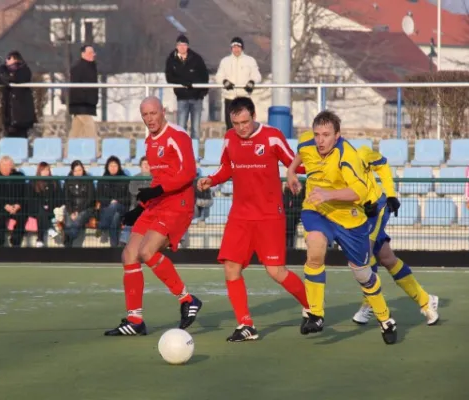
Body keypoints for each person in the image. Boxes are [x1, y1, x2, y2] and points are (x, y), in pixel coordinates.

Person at [195, 97, 309, 342]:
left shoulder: (272, 136)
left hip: (269, 215)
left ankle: (312, 308)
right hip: (240, 216)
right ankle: (246, 325)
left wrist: (308, 165)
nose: (241, 128)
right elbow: (227, 167)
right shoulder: (229, 138)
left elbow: (295, 164)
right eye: (236, 123)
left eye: (245, 122)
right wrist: (211, 180)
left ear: (254, 115)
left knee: (276, 271)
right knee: (230, 268)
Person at [286, 111, 397, 345]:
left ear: (337, 135)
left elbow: (360, 192)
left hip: (350, 218)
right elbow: (300, 154)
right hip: (317, 211)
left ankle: (385, 318)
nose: (320, 140)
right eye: (317, 134)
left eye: (326, 135)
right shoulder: (308, 141)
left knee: (363, 274)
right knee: (315, 250)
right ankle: (315, 314)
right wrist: (291, 171)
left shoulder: (348, 156)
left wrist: (329, 194)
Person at [105, 96, 201, 336]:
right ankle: (135, 321)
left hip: (178, 203)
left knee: (147, 252)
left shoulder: (178, 136)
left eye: (153, 113)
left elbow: (189, 172)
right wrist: (140, 207)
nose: (150, 119)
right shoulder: (149, 141)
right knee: (129, 254)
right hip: (157, 203)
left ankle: (187, 299)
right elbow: (158, 181)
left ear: (163, 111)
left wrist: (157, 191)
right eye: (145, 115)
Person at [352, 146, 439, 326]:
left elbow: (383, 164)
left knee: (364, 253)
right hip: (359, 213)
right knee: (386, 258)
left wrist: (391, 194)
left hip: (376, 208)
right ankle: (425, 300)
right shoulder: (328, 163)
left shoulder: (360, 153)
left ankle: (369, 303)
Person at [165, 34, 209, 139]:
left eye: (184, 45)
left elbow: (205, 76)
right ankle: (182, 151)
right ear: (176, 46)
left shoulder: (196, 59)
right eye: (180, 45)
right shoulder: (172, 60)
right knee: (181, 128)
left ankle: (195, 152)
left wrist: (202, 93)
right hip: (182, 98)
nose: (182, 47)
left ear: (188, 46)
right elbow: (170, 78)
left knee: (195, 129)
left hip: (196, 98)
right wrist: (183, 82)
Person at [215, 37, 262, 130]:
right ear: (231, 48)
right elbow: (218, 76)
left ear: (242, 48)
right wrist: (225, 82)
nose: (236, 49)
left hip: (244, 97)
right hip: (230, 97)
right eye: (234, 47)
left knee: (245, 125)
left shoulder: (250, 60)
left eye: (238, 47)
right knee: (230, 125)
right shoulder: (225, 61)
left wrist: (252, 82)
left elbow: (257, 75)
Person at [0, 156, 29, 247]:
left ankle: (16, 240)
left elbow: (24, 193)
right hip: (0, 206)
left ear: (12, 166)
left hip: (16, 206)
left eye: (8, 165)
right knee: (2, 216)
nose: (6, 167)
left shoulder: (19, 176)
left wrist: (18, 205)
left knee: (22, 216)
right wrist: (5, 205)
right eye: (4, 165)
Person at [0, 51, 36, 138]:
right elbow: (0, 77)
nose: (6, 61)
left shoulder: (24, 70)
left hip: (21, 112)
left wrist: (9, 77)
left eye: (9, 58)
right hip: (9, 112)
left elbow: (19, 78)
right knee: (9, 136)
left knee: (21, 136)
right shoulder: (3, 70)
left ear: (15, 59)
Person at [97, 156, 130, 247]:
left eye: (115, 165)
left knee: (115, 206)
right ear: (107, 167)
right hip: (106, 208)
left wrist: (116, 201)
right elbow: (100, 197)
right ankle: (114, 246)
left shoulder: (125, 179)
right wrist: (110, 202)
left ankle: (102, 226)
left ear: (119, 166)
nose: (113, 168)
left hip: (122, 207)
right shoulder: (102, 180)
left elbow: (128, 198)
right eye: (111, 166)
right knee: (115, 217)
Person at [68, 45, 98, 143]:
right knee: (90, 129)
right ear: (83, 54)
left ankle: (67, 153)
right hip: (81, 105)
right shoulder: (77, 68)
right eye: (90, 53)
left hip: (87, 105)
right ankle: (96, 152)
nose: (93, 55)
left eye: (93, 53)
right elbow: (76, 88)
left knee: (75, 132)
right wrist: (83, 101)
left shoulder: (92, 67)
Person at [63, 160, 95, 247]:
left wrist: (78, 211)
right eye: (75, 171)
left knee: (76, 222)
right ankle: (68, 249)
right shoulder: (68, 181)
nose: (78, 173)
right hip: (71, 209)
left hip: (85, 208)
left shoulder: (88, 180)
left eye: (79, 170)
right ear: (72, 171)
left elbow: (90, 199)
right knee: (69, 224)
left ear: (83, 169)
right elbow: (66, 199)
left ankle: (66, 241)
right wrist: (71, 211)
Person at [30, 162, 62, 247]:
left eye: (47, 170)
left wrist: (49, 206)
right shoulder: (33, 182)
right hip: (37, 209)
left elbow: (58, 197)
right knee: (41, 211)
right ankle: (49, 228)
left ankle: (40, 239)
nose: (45, 172)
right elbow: (32, 199)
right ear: (39, 171)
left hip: (51, 209)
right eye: (43, 170)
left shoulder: (55, 181)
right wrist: (43, 206)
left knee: (42, 213)